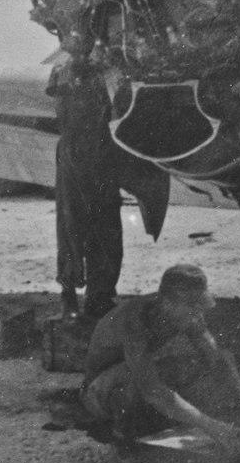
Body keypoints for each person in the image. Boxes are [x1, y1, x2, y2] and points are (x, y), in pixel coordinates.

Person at [81, 264, 240, 450]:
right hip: (97, 393)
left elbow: (217, 359)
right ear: (168, 303)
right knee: (136, 377)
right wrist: (211, 426)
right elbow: (152, 389)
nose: (198, 315)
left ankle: (155, 420)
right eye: (193, 307)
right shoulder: (133, 319)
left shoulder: (180, 310)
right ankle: (123, 442)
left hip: (130, 379)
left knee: (185, 365)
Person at [48, 54, 170, 319]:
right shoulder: (71, 70)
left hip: (96, 152)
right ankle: (75, 296)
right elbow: (65, 112)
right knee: (76, 228)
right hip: (82, 152)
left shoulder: (92, 70)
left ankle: (95, 297)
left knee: (98, 229)